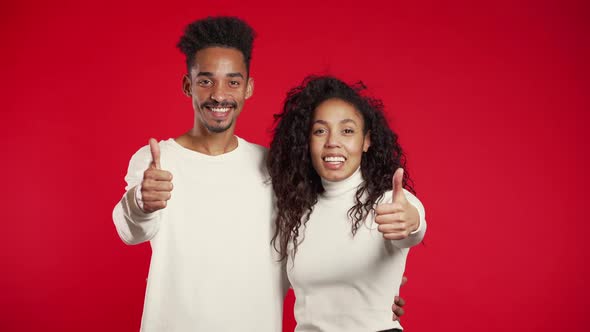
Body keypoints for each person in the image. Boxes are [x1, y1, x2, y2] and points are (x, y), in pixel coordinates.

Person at [112, 17, 406, 331]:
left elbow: (310, 246)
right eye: (206, 80)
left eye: (233, 82)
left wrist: (366, 294)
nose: (219, 94)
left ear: (248, 88)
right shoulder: (157, 161)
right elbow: (131, 232)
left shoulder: (271, 166)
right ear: (188, 85)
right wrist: (142, 203)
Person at [267, 76, 427, 331]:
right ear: (307, 142)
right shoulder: (294, 211)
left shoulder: (388, 201)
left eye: (347, 130)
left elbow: (411, 224)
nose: (332, 141)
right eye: (320, 130)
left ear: (366, 141)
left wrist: (412, 221)